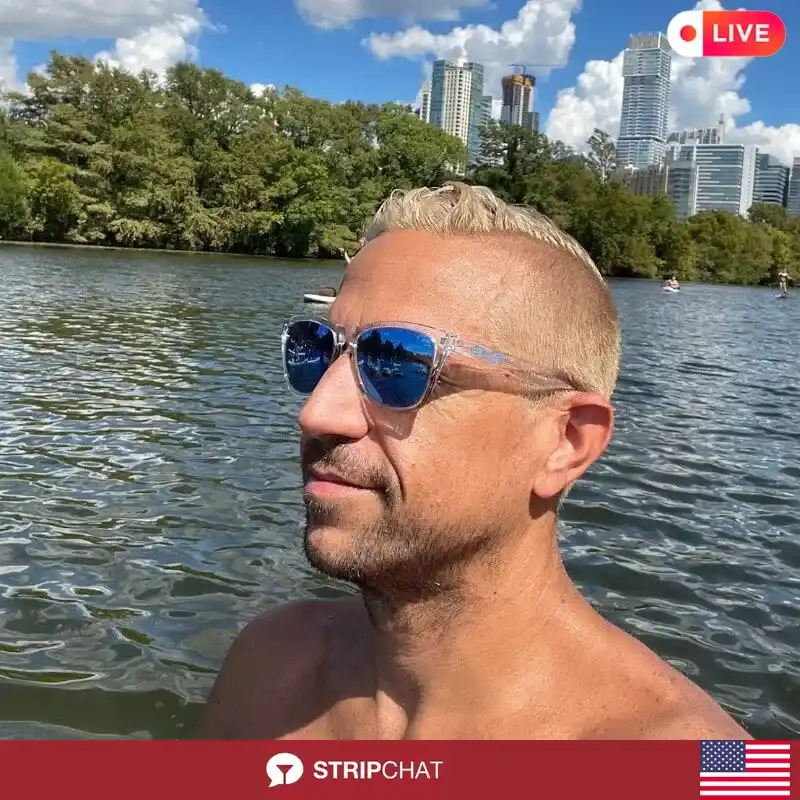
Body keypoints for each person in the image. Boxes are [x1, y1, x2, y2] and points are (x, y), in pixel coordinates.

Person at [197, 183, 748, 740]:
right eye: (318, 350)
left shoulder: (714, 766)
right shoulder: (271, 662)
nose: (317, 413)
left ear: (567, 442)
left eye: (398, 363)